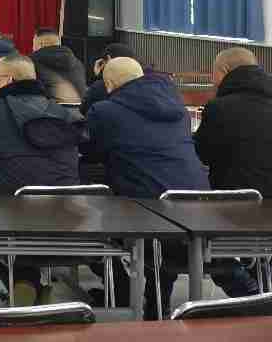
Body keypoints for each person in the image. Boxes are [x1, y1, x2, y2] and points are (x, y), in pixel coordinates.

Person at [83, 57, 257, 317]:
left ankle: (137, 302)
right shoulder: (176, 107)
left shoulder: (105, 112)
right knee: (188, 250)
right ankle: (252, 299)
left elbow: (92, 151)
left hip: (147, 212)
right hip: (197, 203)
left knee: (120, 228)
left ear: (108, 84)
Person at [0, 54, 85, 304]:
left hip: (12, 211)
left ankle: (23, 281)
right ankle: (32, 286)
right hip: (68, 215)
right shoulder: (62, 112)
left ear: (7, 80)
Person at [195, 47, 272, 196]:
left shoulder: (218, 108)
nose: (212, 80)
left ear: (225, 70)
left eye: (214, 72)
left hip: (233, 200)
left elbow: (202, 155)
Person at [30, 28, 86, 104]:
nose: (32, 48)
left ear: (41, 44)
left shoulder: (31, 62)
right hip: (79, 110)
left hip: (46, 109)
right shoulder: (78, 63)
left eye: (33, 44)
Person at [80, 43, 138, 115]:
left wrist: (99, 77)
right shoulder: (141, 84)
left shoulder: (100, 87)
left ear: (108, 58)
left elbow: (84, 110)